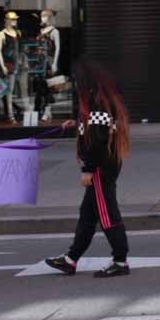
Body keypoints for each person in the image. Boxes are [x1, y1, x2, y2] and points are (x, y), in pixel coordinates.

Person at [44, 60, 131, 278]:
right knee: (88, 215)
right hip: (104, 164)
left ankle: (120, 261)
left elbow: (99, 139)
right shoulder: (100, 100)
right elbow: (98, 129)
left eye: (76, 81)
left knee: (107, 213)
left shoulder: (97, 102)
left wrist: (88, 169)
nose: (75, 85)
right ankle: (71, 259)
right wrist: (77, 124)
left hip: (101, 167)